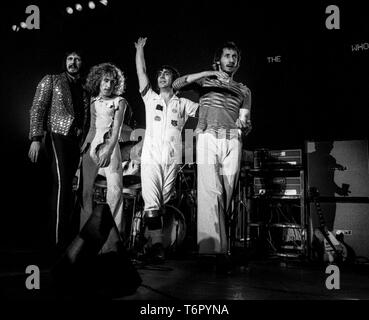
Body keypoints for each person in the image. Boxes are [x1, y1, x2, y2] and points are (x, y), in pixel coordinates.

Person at [173, 41, 252, 272]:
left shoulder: (244, 90)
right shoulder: (205, 81)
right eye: (227, 55)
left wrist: (245, 126)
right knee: (211, 192)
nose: (231, 59)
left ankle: (222, 247)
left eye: (234, 56)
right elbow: (178, 84)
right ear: (219, 59)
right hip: (208, 136)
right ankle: (213, 252)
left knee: (227, 195)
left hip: (232, 139)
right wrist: (209, 72)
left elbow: (245, 118)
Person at [134, 37, 198, 262]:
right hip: (151, 158)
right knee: (151, 202)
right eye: (159, 73)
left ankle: (151, 242)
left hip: (171, 161)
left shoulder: (183, 104)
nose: (161, 76)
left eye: (166, 74)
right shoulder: (150, 98)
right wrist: (140, 50)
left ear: (175, 80)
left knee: (162, 203)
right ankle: (157, 247)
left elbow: (206, 111)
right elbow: (141, 71)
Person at [28, 50, 89, 255]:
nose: (73, 62)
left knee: (69, 190)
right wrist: (36, 138)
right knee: (63, 185)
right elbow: (37, 107)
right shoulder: (52, 80)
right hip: (57, 136)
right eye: (70, 58)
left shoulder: (85, 87)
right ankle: (57, 243)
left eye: (77, 58)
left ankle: (65, 238)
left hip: (76, 141)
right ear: (64, 61)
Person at [80, 63, 127, 247]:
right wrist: (83, 149)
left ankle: (113, 241)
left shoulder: (120, 101)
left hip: (110, 146)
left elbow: (117, 130)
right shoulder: (93, 100)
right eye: (105, 81)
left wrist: (108, 149)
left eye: (112, 82)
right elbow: (91, 127)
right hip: (91, 147)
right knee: (85, 192)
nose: (108, 85)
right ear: (98, 81)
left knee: (115, 190)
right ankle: (85, 238)